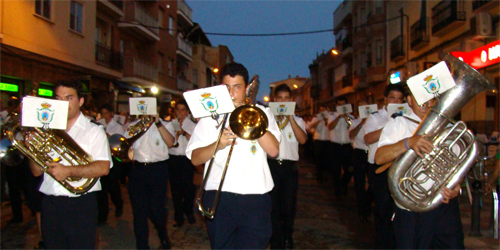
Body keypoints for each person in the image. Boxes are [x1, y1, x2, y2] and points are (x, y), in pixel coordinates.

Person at [186, 62, 280, 249]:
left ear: (246, 89)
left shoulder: (263, 113)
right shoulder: (209, 116)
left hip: (255, 197)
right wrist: (218, 144)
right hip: (220, 197)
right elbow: (195, 158)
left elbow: (274, 151)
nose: (231, 93)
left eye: (237, 87)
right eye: (226, 87)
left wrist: (251, 118)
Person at [28, 79, 112, 249]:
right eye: (58, 98)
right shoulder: (46, 129)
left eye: (69, 98)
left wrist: (69, 171)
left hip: (80, 204)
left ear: (80, 101)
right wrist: (31, 149)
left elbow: (103, 168)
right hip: (51, 204)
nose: (63, 103)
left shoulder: (93, 130)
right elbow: (36, 172)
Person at [375, 90, 464, 249]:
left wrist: (457, 185)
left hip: (444, 205)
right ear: (409, 100)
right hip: (411, 207)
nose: (426, 102)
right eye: (420, 97)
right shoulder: (400, 123)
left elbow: (458, 165)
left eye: (431, 98)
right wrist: (408, 143)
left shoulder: (450, 128)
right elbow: (379, 157)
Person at [124, 102, 176, 249]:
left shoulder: (166, 125)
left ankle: (162, 233)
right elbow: (126, 148)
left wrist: (158, 123)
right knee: (139, 212)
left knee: (157, 209)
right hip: (138, 169)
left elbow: (171, 143)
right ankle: (142, 246)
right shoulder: (133, 126)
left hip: (158, 170)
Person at [362, 83, 405, 249]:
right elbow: (368, 139)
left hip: (400, 168)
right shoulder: (375, 117)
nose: (396, 101)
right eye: (393, 98)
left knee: (400, 211)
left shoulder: (406, 116)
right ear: (385, 100)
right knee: (383, 210)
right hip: (380, 169)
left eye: (400, 99)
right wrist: (392, 124)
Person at [268, 83, 307, 249]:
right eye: (280, 99)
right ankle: (276, 238)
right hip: (271, 166)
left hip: (289, 168)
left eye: (286, 99)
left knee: (289, 206)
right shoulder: (268, 119)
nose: (283, 102)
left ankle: (287, 235)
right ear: (275, 100)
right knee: (273, 206)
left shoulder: (298, 120)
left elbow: (303, 140)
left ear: (291, 100)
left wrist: (291, 118)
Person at [168, 99, 197, 228]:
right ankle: (178, 216)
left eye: (183, 110)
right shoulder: (170, 124)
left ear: (187, 112)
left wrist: (184, 132)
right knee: (175, 190)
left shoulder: (192, 125)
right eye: (178, 110)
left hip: (186, 159)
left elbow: (196, 141)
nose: (180, 112)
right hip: (173, 158)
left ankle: (188, 210)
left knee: (188, 189)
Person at [96, 104, 125, 224]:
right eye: (102, 114)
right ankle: (103, 216)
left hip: (113, 159)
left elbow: (119, 143)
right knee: (101, 190)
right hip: (101, 158)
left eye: (106, 113)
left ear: (111, 114)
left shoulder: (117, 127)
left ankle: (118, 204)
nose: (104, 116)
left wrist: (105, 133)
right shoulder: (97, 125)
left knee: (113, 187)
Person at [327, 97, 354, 198]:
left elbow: (353, 126)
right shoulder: (332, 115)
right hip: (335, 146)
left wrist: (346, 117)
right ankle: (337, 191)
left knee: (349, 169)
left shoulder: (351, 117)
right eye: (339, 104)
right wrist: (339, 117)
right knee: (336, 170)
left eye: (343, 104)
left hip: (347, 147)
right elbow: (330, 127)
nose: (341, 106)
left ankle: (343, 184)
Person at [348, 99, 370, 223]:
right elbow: (351, 135)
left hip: (371, 153)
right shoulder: (355, 121)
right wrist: (362, 123)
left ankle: (367, 203)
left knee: (373, 184)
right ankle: (362, 211)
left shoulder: (375, 121)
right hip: (359, 153)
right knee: (359, 184)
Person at [308, 106, 330, 184]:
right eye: (321, 110)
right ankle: (319, 175)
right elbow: (310, 126)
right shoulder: (316, 118)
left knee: (327, 160)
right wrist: (319, 120)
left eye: (323, 110)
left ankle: (325, 175)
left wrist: (326, 119)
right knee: (319, 159)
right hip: (318, 141)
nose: (322, 111)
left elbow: (330, 127)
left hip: (328, 141)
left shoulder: (330, 117)